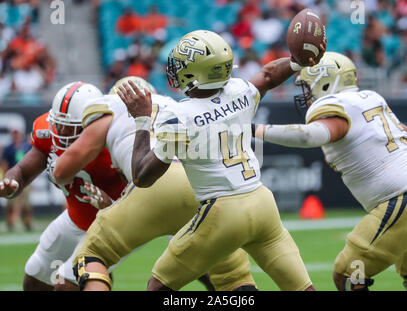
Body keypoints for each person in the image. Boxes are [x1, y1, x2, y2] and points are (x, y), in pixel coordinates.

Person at [116, 29, 325, 291]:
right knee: (302, 288)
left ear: (196, 73)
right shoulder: (240, 91)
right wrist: (296, 62)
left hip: (222, 211)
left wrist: (142, 120)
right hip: (262, 203)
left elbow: (141, 177)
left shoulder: (179, 115)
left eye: (181, 66)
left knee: (158, 287)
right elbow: (269, 75)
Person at [53, 76, 257, 291]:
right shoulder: (177, 106)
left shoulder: (110, 109)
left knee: (85, 262)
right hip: (207, 188)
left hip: (156, 190)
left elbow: (61, 172)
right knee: (231, 278)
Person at [252, 52, 407, 291]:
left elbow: (312, 135)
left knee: (349, 274)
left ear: (325, 81)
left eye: (307, 86)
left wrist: (255, 130)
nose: (305, 94)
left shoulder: (336, 106)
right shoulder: (369, 97)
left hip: (403, 200)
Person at [0, 82, 128, 291]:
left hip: (116, 225)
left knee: (67, 283)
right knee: (35, 278)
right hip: (76, 219)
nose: (61, 131)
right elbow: (23, 170)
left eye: (70, 126)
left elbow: (145, 194)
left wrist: (110, 205)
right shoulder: (49, 134)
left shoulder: (115, 142)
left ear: (91, 123)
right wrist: (12, 182)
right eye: (58, 123)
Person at [0, 127, 33, 231]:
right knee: (11, 202)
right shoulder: (8, 148)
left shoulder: (27, 146)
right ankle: (9, 223)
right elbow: (4, 164)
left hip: (25, 178)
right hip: (12, 178)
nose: (16, 135)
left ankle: (27, 222)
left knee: (26, 203)